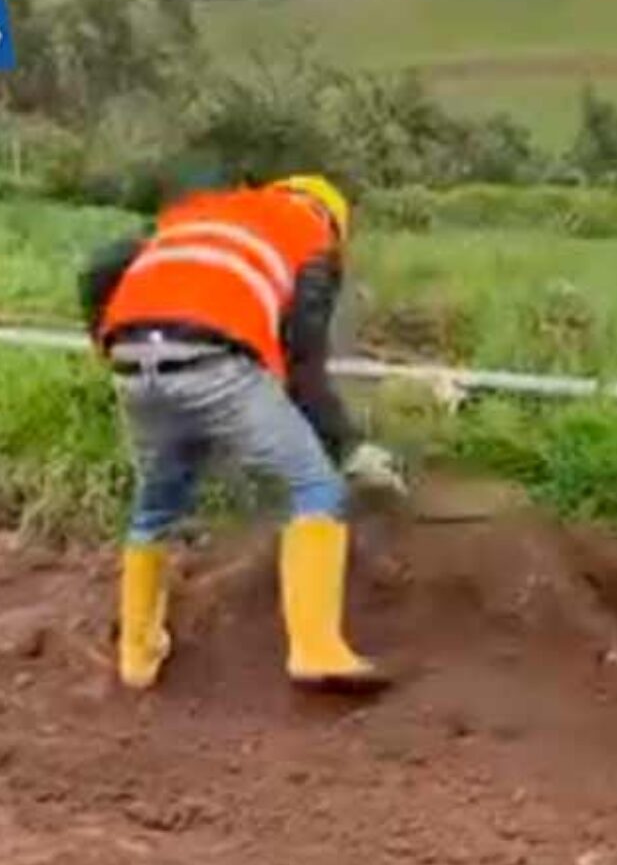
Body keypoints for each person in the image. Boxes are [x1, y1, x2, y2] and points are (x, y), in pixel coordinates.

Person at [81, 173, 398, 693]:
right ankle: (316, 648)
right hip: (213, 356)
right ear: (334, 220)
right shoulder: (312, 235)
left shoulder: (201, 213)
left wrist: (105, 339)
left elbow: (102, 265)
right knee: (315, 489)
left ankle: (136, 657)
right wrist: (347, 446)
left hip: (133, 358)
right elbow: (304, 358)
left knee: (157, 507)